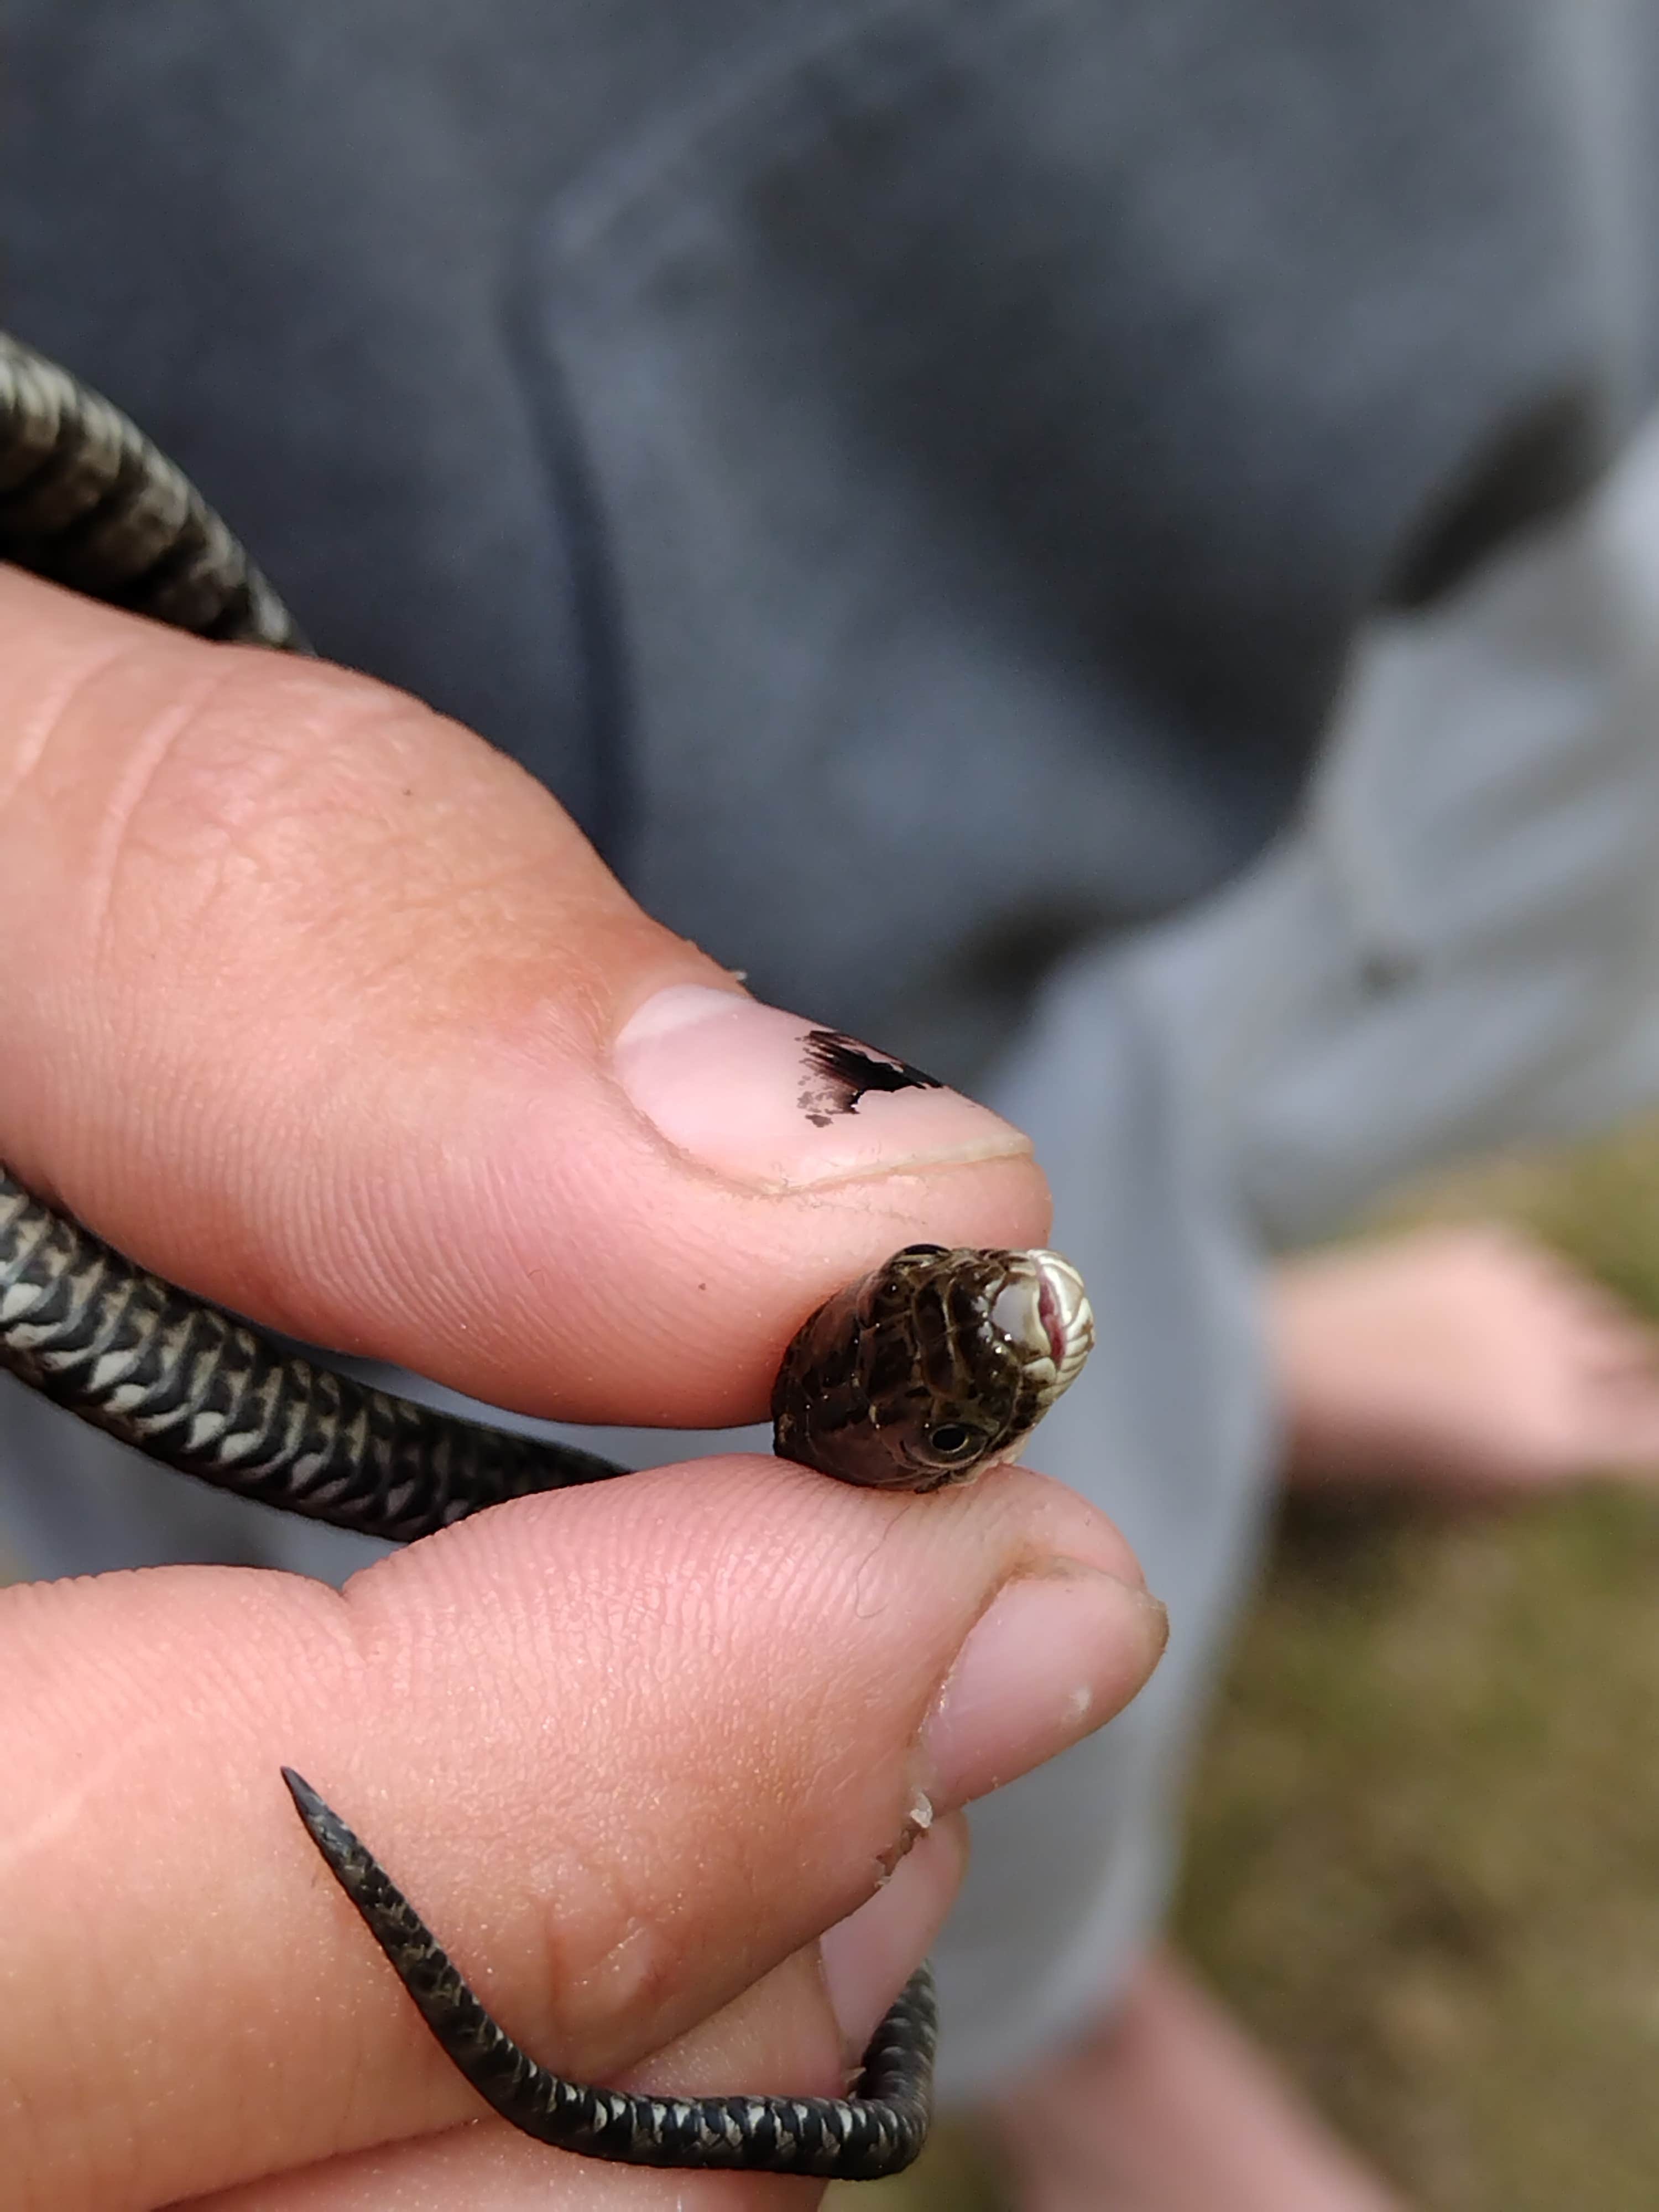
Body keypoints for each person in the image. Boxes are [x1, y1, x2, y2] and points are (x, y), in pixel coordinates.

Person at [9, 2, 1659, 2206]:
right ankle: (1080, 1986)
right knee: (879, 1650)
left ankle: (1249, 1329)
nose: (1005, 1315)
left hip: (1382, 295)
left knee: (1264, 1052)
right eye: (972, 1356)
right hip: (471, 643)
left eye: (980, 1344)